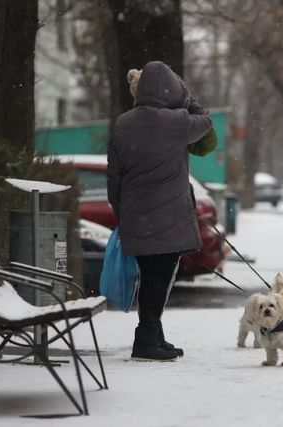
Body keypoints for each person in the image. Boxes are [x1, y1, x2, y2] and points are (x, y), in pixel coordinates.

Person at [107, 61, 212, 361]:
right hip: (168, 220)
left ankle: (155, 337)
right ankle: (145, 341)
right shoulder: (178, 121)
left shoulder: (123, 124)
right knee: (158, 281)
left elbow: (114, 176)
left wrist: (120, 211)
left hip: (136, 217)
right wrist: (188, 101)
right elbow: (205, 121)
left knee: (150, 278)